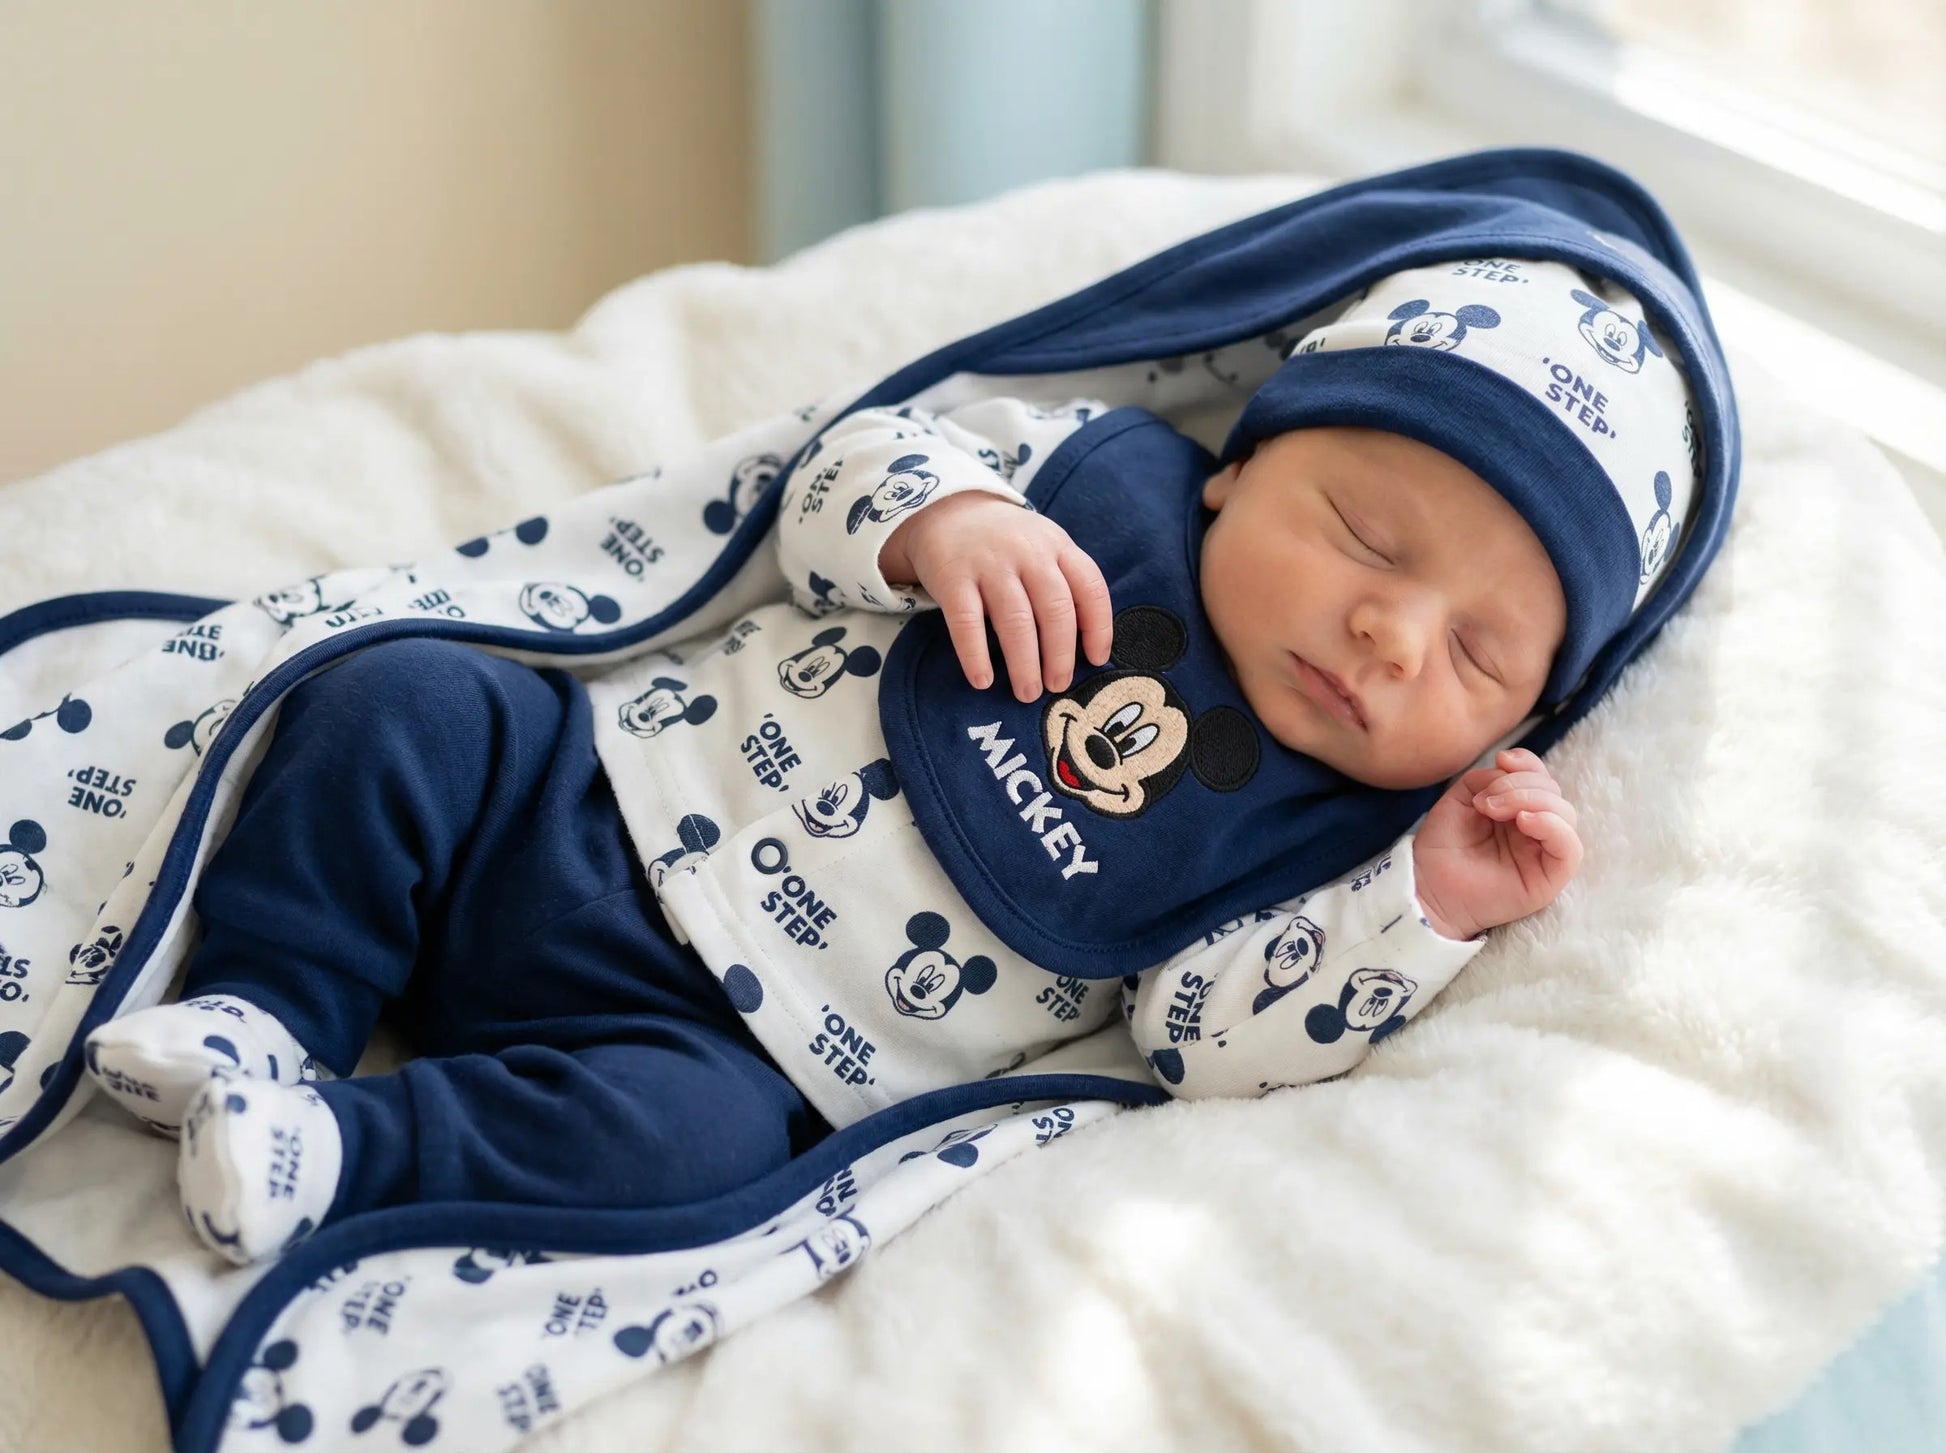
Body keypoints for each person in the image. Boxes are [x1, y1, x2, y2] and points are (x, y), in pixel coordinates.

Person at [83, 256, 1696, 1264]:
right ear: (1239, 464)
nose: (1390, 636)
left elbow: (1198, 1042)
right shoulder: (1088, 475)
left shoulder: (1343, 842)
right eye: (1362, 535)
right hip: (573, 794)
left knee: (694, 1169)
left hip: (722, 1053)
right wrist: (944, 521)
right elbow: (837, 467)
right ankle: (263, 1012)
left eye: (1479, 654)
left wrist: (1421, 902)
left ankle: (344, 1150)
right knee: (410, 699)